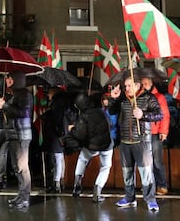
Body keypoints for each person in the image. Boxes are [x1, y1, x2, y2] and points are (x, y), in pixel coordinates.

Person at [108, 76, 162, 212]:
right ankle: (129, 198)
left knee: (146, 173)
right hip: (125, 141)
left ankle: (150, 200)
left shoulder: (148, 97)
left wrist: (143, 115)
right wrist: (114, 99)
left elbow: (158, 115)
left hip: (142, 141)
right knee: (127, 173)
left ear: (137, 85)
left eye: (129, 86)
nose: (126, 88)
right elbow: (111, 111)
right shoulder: (122, 98)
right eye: (125, 86)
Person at [68, 93, 113, 202]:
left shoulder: (83, 116)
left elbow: (81, 135)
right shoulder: (100, 111)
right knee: (105, 167)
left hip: (91, 146)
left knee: (82, 159)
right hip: (106, 144)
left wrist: (72, 129)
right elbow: (109, 124)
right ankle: (97, 192)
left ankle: (77, 186)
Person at [0, 70, 33, 209]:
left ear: (15, 80)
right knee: (16, 167)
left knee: (22, 167)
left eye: (9, 78)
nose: (7, 80)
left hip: (20, 135)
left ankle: (25, 198)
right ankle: (21, 195)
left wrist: (5, 106)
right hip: (13, 135)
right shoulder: (16, 95)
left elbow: (23, 113)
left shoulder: (24, 95)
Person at [141, 77, 170, 195]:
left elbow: (165, 115)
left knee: (157, 161)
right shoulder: (140, 98)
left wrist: (163, 131)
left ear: (151, 84)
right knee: (145, 162)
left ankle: (162, 185)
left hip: (155, 133)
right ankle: (149, 185)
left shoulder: (159, 97)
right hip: (143, 133)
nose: (144, 86)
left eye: (146, 84)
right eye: (142, 84)